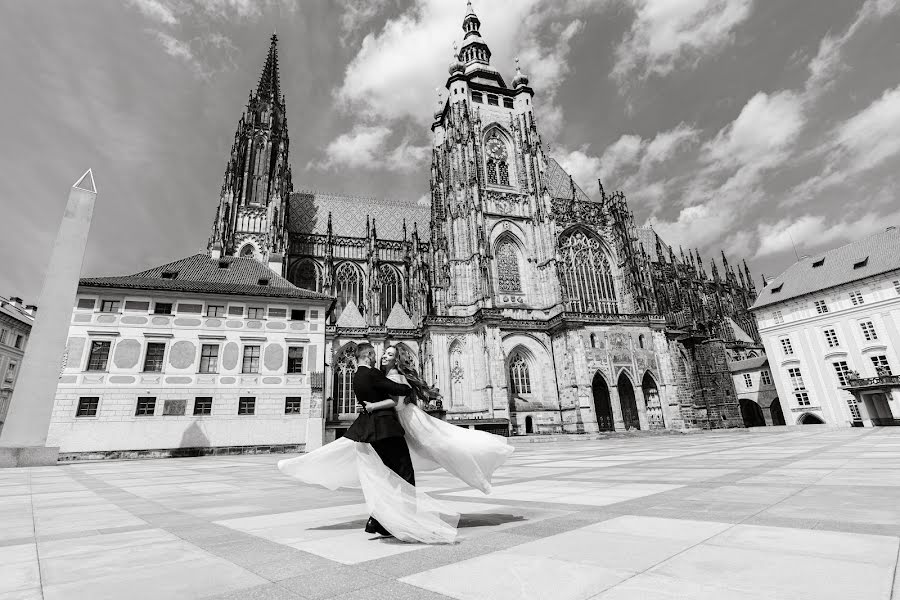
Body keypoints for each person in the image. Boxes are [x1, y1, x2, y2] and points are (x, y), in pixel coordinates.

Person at [277, 343, 514, 544]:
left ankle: (381, 519)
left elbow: (399, 397)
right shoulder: (374, 375)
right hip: (388, 428)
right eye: (381, 354)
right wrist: (388, 398)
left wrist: (377, 403)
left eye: (389, 354)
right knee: (402, 475)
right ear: (370, 356)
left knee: (409, 465)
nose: (383, 356)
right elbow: (399, 393)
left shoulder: (366, 375)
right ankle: (398, 521)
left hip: (395, 424)